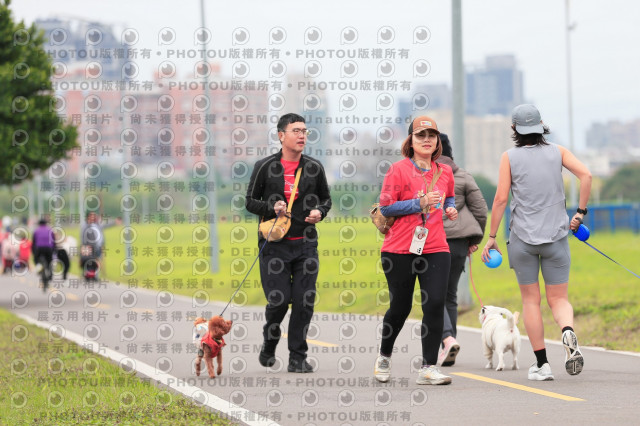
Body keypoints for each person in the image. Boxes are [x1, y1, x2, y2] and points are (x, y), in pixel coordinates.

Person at [481, 104, 591, 381]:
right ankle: (567, 331)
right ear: (541, 124)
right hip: (556, 238)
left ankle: (542, 364)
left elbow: (501, 199)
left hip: (523, 240)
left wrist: (491, 237)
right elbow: (586, 175)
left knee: (531, 301)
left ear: (514, 129)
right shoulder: (558, 152)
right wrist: (580, 213)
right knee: (559, 299)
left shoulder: (509, 157)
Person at [373, 116, 458, 385]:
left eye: (432, 135)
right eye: (421, 135)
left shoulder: (445, 172)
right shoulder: (397, 170)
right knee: (401, 306)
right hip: (399, 248)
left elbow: (449, 196)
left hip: (436, 246)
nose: (427, 140)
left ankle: (428, 368)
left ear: (437, 141)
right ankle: (384, 356)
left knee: (434, 303)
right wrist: (419, 203)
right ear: (410, 141)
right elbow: (386, 207)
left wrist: (450, 208)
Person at [245, 113, 332, 373]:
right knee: (279, 301)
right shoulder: (264, 166)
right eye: (296, 131)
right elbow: (249, 202)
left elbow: (326, 199)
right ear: (281, 135)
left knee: (304, 301)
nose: (302, 135)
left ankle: (297, 357)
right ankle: (270, 341)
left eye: (304, 131)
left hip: (306, 245)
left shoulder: (314, 167)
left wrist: (320, 212)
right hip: (274, 246)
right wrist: (271, 207)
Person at [436, 134, 488, 366]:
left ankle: (447, 339)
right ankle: (449, 344)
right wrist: (474, 238)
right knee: (450, 295)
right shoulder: (463, 175)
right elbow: (480, 209)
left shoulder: (424, 176)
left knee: (433, 294)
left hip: (434, 242)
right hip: (458, 243)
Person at [32, 218, 55, 289]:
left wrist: (34, 253)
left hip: (39, 249)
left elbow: (33, 243)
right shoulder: (50, 230)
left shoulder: (36, 231)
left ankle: (39, 269)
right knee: (50, 261)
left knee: (36, 260)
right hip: (48, 249)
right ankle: (50, 274)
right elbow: (54, 241)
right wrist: (54, 250)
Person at [80, 211, 105, 278]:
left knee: (97, 259)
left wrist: (102, 243)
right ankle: (86, 273)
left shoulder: (97, 225)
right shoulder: (85, 226)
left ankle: (95, 274)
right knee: (86, 259)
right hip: (87, 246)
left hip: (97, 246)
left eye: (94, 216)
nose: (93, 218)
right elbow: (82, 236)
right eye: (91, 216)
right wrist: (84, 245)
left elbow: (100, 236)